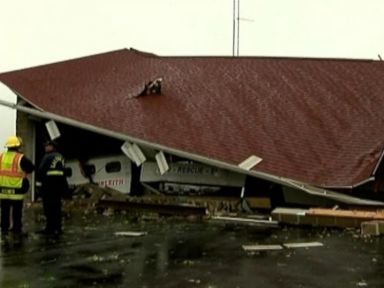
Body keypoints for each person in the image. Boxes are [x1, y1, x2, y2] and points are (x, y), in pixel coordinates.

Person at [0, 135, 34, 236]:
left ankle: (4, 229)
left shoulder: (1, 157)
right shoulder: (20, 158)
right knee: (16, 212)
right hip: (17, 190)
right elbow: (31, 168)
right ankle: (16, 229)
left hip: (3, 191)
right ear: (17, 146)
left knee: (4, 212)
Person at [37, 139, 68, 235]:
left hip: (48, 185)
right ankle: (58, 228)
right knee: (57, 207)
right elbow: (63, 172)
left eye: (47, 146)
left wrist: (39, 183)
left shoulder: (47, 157)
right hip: (58, 185)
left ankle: (49, 228)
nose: (45, 148)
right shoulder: (61, 156)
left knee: (48, 207)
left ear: (52, 147)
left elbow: (41, 170)